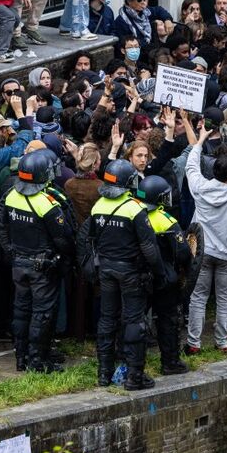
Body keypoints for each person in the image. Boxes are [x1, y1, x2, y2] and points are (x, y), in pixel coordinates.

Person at [79, 159, 163, 390]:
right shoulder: (135, 208)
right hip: (130, 272)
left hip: (106, 269)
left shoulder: (98, 207)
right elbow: (149, 247)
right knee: (134, 321)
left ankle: (104, 373)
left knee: (107, 318)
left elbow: (90, 239)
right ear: (129, 183)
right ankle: (135, 376)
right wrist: (160, 273)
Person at [0, 152, 74, 372]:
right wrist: (64, 258)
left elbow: (0, 225)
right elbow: (63, 238)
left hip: (19, 264)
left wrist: (10, 249)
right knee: (42, 314)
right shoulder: (47, 203)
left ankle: (21, 359)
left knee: (21, 310)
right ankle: (37, 360)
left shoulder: (11, 195)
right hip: (42, 267)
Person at [134, 175, 190, 375]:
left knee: (133, 319)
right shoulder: (166, 220)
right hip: (164, 278)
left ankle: (130, 362)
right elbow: (184, 252)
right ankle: (170, 362)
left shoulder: (132, 214)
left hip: (137, 276)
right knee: (167, 319)